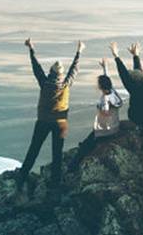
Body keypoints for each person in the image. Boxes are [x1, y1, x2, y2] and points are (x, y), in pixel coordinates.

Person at [16, 38, 83, 189]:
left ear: (51, 72)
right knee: (57, 154)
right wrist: (79, 52)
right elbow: (74, 70)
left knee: (34, 150)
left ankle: (21, 178)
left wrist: (31, 49)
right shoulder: (66, 84)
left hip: (43, 122)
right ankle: (55, 184)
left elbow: (36, 67)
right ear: (61, 74)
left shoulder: (45, 83)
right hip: (61, 125)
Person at [68, 55, 123, 172]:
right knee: (88, 140)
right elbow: (107, 80)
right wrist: (105, 67)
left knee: (84, 147)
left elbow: (105, 112)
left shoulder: (105, 98)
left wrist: (101, 109)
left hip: (106, 131)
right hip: (115, 126)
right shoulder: (113, 92)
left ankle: (72, 167)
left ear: (100, 87)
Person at [111, 42, 143, 131]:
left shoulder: (134, 89)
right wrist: (136, 55)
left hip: (137, 122)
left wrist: (116, 56)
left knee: (114, 126)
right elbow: (138, 71)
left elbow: (123, 73)